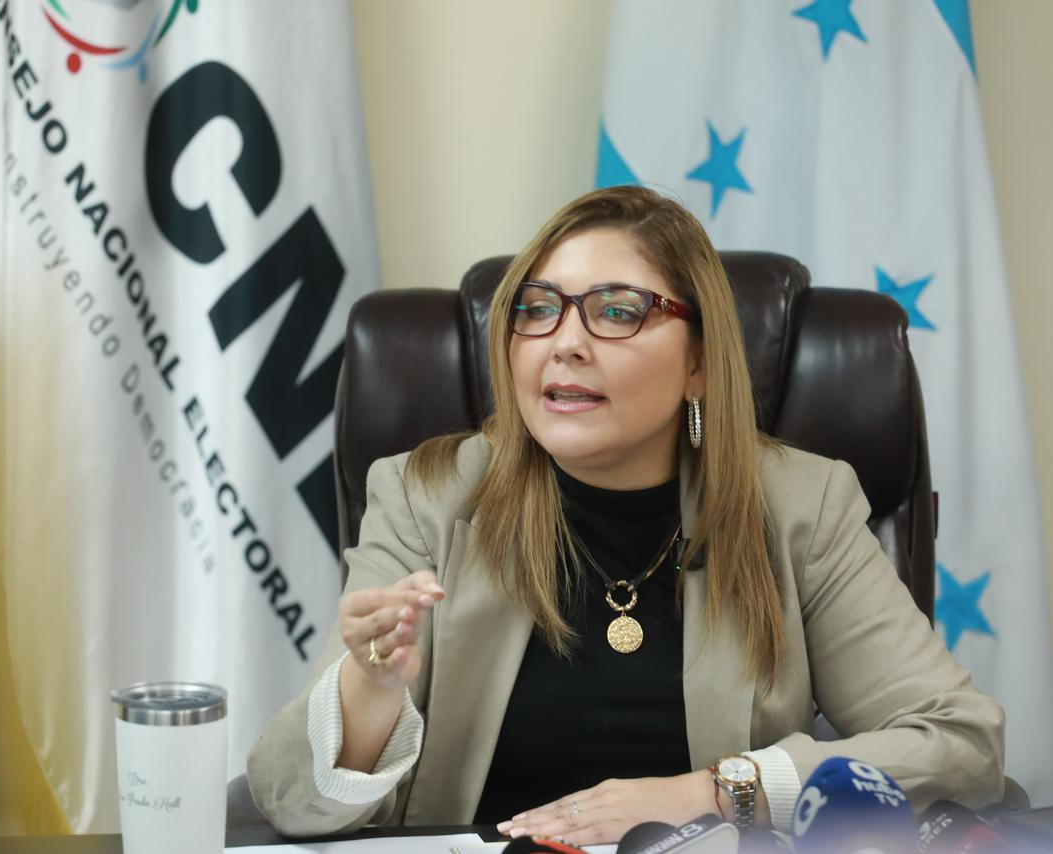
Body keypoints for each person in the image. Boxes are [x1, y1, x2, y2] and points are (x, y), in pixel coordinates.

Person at [246, 186, 1005, 845]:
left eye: (617, 312)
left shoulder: (802, 506)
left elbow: (961, 742)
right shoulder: (427, 496)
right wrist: (372, 691)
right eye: (538, 310)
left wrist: (718, 792)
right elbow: (287, 800)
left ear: (699, 363)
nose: (566, 343)